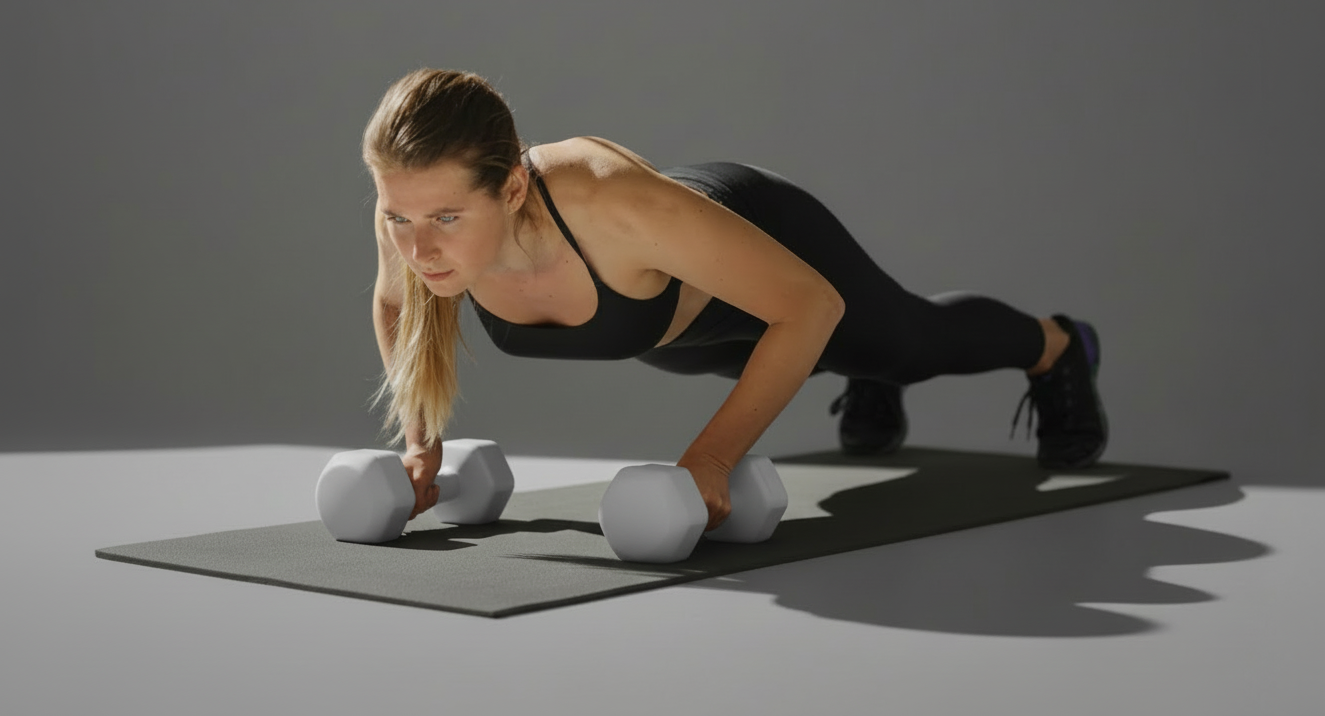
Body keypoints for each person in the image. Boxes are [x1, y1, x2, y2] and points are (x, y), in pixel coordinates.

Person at [364, 69, 1107, 533]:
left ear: (515, 188)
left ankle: (1060, 347)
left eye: (447, 220)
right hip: (684, 337)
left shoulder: (614, 205)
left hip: (767, 247)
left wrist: (713, 458)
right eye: (399, 217)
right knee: (752, 364)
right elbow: (399, 306)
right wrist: (421, 442)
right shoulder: (412, 210)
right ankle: (860, 375)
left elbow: (809, 306)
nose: (418, 248)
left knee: (905, 346)